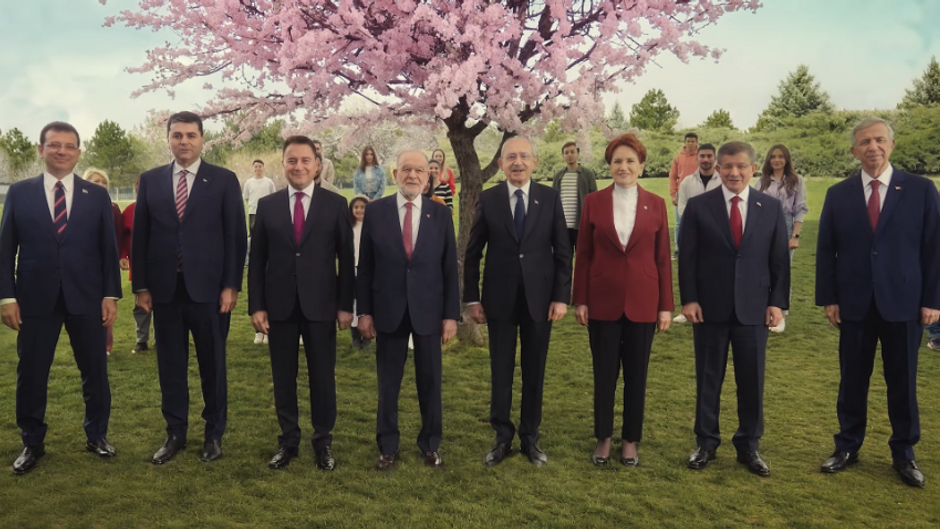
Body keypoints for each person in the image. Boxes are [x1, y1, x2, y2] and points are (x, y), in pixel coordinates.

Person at [816, 117, 940, 488]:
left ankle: (904, 452)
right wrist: (829, 298)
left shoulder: (921, 189)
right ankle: (847, 446)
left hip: (904, 303)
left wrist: (933, 300)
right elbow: (826, 250)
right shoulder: (838, 194)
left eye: (880, 140)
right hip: (853, 304)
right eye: (865, 142)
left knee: (902, 381)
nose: (873, 147)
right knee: (852, 380)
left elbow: (934, 249)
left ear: (892, 144)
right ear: (854, 151)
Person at [0, 121, 122, 475]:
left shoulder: (95, 195)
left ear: (79, 153)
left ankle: (96, 435)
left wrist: (110, 295)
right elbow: (6, 250)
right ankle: (32, 441)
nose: (62, 151)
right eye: (54, 145)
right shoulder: (19, 193)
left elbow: (108, 250)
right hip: (35, 299)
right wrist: (7, 297)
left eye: (69, 146)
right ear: (41, 150)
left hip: (87, 297)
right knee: (31, 372)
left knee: (94, 370)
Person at [132, 111, 248, 465]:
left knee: (213, 365)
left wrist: (231, 285)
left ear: (202, 139)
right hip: (165, 290)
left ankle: (213, 434)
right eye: (177, 135)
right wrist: (141, 286)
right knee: (170, 366)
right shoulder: (150, 180)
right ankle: (175, 433)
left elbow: (235, 236)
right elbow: (140, 237)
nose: (184, 141)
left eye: (191, 135)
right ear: (168, 139)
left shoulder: (224, 180)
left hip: (210, 292)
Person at [678, 141, 789, 477]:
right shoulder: (699, 206)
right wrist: (689, 299)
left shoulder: (770, 208)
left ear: (753, 169)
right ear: (718, 168)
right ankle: (706, 443)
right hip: (709, 309)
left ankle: (749, 446)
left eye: (741, 166)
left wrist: (776, 302)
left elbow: (779, 260)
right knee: (708, 379)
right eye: (727, 166)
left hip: (754, 309)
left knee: (751, 380)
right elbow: (688, 257)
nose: (734, 172)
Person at [464, 137, 573, 467]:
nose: (518, 162)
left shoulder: (550, 198)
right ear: (501, 164)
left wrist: (561, 298)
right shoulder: (489, 199)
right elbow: (472, 253)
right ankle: (502, 437)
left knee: (534, 369)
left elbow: (563, 253)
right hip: (499, 300)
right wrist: (472, 298)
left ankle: (530, 437)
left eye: (524, 156)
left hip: (540, 300)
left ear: (535, 162)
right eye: (511, 157)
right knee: (501, 370)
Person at [248, 136, 354, 471]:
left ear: (317, 165)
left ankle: (323, 442)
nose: (299, 166)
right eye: (292, 160)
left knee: (322, 378)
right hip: (279, 306)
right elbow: (257, 260)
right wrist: (256, 306)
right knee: (283, 378)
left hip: (321, 306)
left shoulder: (335, 204)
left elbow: (346, 259)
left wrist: (345, 305)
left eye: (306, 160)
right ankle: (288, 441)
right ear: (283, 164)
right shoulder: (268, 206)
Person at [572, 134, 673, 468]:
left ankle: (630, 439)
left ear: (641, 166)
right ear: (609, 166)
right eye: (617, 161)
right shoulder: (594, 202)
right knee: (604, 374)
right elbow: (584, 255)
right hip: (602, 301)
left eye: (630, 161)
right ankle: (603, 437)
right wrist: (580, 300)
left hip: (644, 302)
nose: (624, 166)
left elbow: (662, 259)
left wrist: (665, 306)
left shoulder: (656, 204)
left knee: (636, 375)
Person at [356, 150, 459, 470]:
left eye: (419, 170)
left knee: (430, 382)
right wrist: (364, 312)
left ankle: (430, 444)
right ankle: (387, 446)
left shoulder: (440, 214)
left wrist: (450, 315)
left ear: (428, 177)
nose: (412, 175)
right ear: (395, 174)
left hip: (429, 310)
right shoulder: (376, 212)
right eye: (406, 169)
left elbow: (449, 269)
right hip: (388, 309)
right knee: (388, 384)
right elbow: (366, 267)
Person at [756, 145, 808, 333]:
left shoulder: (796, 180)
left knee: (782, 272)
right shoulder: (762, 181)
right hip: (763, 225)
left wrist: (795, 236)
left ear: (786, 159)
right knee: (762, 270)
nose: (776, 160)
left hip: (785, 225)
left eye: (780, 156)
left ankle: (781, 315)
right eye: (773, 156)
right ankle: (764, 310)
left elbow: (800, 209)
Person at [672, 143, 720, 324]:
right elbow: (683, 208)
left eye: (709, 156)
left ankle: (711, 306)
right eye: (702, 156)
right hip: (693, 233)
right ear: (697, 158)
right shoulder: (687, 182)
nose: (706, 159)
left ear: (715, 159)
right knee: (690, 270)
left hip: (717, 235)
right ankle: (687, 307)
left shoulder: (722, 181)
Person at [82, 168, 125, 355]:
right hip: (82, 265)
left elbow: (119, 235)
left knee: (106, 304)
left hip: (105, 264)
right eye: (95, 181)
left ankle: (106, 345)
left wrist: (120, 256)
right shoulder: (76, 206)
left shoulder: (113, 208)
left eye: (103, 182)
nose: (100, 185)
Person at [120, 177, 154, 354]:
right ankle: (142, 340)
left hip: (162, 265)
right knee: (140, 304)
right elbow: (122, 237)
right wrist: (123, 255)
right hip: (139, 266)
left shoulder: (163, 208)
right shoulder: (129, 211)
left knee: (163, 303)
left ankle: (161, 339)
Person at [552, 141, 598, 250]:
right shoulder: (558, 176)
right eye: (566, 152)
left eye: (572, 152)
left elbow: (595, 200)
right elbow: (552, 200)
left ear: (578, 154)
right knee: (563, 257)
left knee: (582, 256)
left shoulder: (588, 174)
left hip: (581, 225)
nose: (569, 155)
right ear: (563, 155)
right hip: (562, 227)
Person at [669, 132, 700, 258]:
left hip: (697, 193)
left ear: (697, 143)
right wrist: (673, 195)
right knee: (679, 222)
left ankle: (697, 248)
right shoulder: (678, 158)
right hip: (681, 194)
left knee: (698, 222)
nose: (690, 144)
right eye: (688, 141)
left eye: (693, 141)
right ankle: (679, 249)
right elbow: (672, 177)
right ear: (684, 142)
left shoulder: (701, 157)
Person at [348, 195, 371, 350]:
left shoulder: (373, 226)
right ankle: (355, 337)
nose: (359, 210)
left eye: (363, 207)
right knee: (353, 304)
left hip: (367, 271)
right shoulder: (348, 227)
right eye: (356, 207)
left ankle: (367, 337)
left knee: (366, 303)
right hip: (352, 270)